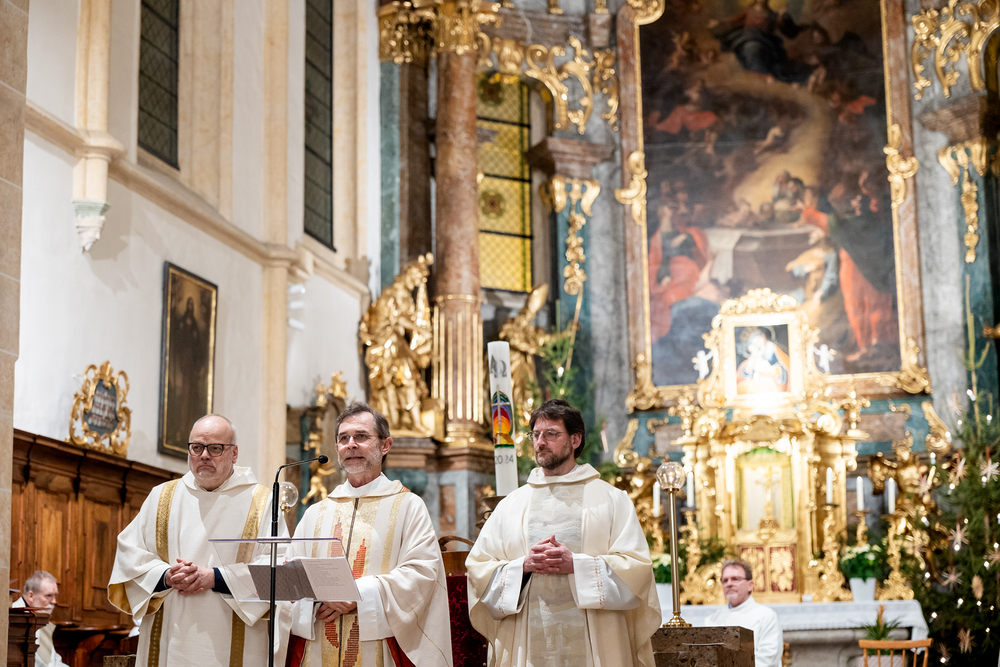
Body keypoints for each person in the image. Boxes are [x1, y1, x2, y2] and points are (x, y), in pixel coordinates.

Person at [466, 399, 661, 667]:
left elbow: (637, 570)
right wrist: (524, 566)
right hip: (528, 645)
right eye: (536, 434)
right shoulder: (512, 505)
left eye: (551, 434)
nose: (540, 442)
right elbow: (479, 570)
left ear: (575, 439)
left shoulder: (612, 500)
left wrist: (576, 565)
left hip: (595, 647)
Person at [108, 414, 290, 666]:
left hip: (235, 641)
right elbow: (129, 555)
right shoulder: (161, 497)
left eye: (215, 448)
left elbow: (279, 569)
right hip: (170, 635)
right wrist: (166, 576)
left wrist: (216, 577)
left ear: (234, 453)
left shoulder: (262, 502)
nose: (204, 455)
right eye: (196, 447)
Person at [286, 401, 452, 667]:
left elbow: (422, 573)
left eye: (361, 436)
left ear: (386, 445)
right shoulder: (316, 513)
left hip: (379, 649)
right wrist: (318, 597)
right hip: (318, 646)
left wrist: (356, 593)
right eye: (343, 438)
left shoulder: (408, 506)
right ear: (337, 448)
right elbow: (290, 574)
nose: (351, 444)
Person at [705, 559, 783, 667]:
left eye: (735, 579)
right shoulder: (712, 620)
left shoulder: (767, 616)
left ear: (750, 585)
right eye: (725, 580)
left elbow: (767, 660)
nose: (729, 584)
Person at [12, 570, 67, 667]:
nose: (54, 601)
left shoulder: (39, 617)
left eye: (55, 595)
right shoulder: (14, 618)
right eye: (49, 596)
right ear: (31, 596)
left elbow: (53, 661)